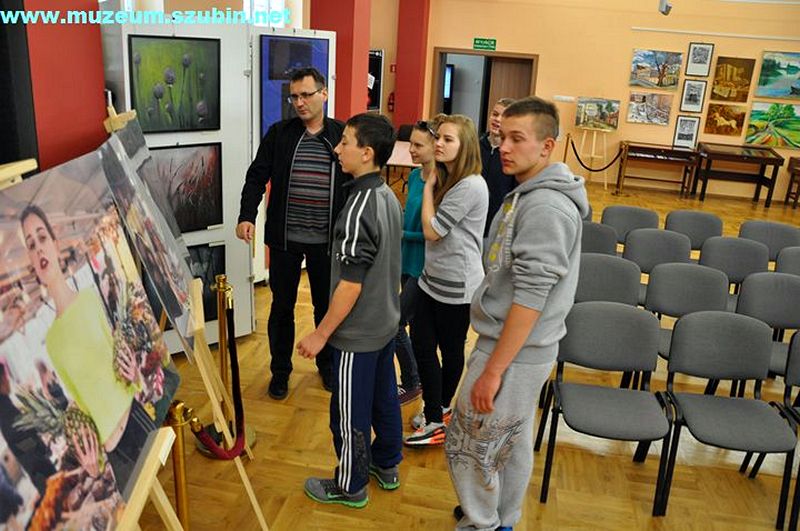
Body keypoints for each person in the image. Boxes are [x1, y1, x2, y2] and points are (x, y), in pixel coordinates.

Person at [445, 97, 589, 530]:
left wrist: (493, 371)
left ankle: (482, 522)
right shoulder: (529, 193)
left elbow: (530, 299)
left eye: (516, 139)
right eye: (501, 136)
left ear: (547, 146)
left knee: (471, 443)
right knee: (510, 439)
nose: (503, 146)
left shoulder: (545, 207)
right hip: (520, 347)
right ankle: (502, 518)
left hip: (514, 351)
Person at [297, 113, 403, 508]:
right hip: (384, 326)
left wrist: (321, 334)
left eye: (345, 142)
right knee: (382, 399)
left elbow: (351, 283)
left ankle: (350, 484)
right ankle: (387, 463)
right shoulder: (387, 195)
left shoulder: (361, 205)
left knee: (348, 413)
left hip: (358, 335)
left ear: (367, 152)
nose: (338, 148)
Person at [20, 205, 155, 488]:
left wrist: (135, 376)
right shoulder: (53, 342)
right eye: (31, 245)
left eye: (42, 238)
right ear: (32, 261)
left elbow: (119, 365)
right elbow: (80, 400)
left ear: (55, 245)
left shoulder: (90, 301)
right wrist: (94, 467)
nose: (39, 249)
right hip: (112, 448)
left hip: (135, 416)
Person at [237, 67, 350, 400]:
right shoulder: (280, 134)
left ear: (324, 94)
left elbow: (358, 181)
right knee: (281, 308)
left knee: (325, 307)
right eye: (294, 96)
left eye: (306, 95)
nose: (299, 102)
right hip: (285, 240)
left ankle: (328, 367)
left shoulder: (342, 135)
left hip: (327, 243)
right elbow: (256, 176)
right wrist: (247, 215)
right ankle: (280, 372)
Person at [404, 115, 488, 447]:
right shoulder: (452, 178)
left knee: (450, 350)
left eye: (448, 140)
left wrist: (427, 187)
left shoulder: (469, 185)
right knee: (423, 345)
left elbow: (432, 230)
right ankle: (436, 410)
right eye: (438, 138)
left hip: (457, 285)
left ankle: (437, 416)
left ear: (464, 146)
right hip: (431, 278)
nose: (439, 143)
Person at [394, 119, 439, 405]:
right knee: (410, 326)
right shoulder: (413, 178)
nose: (411, 149)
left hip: (425, 266)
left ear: (436, 146)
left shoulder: (441, 184)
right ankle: (418, 380)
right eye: (410, 143)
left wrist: (402, 233)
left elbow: (432, 233)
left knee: (395, 322)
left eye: (418, 145)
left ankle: (413, 381)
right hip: (405, 261)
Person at [480, 98, 517, 239]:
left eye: (504, 116)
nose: (497, 119)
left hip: (499, 224)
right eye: (495, 114)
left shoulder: (513, 154)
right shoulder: (475, 147)